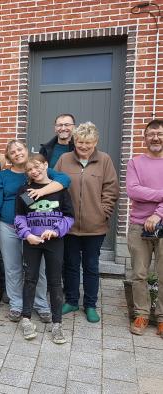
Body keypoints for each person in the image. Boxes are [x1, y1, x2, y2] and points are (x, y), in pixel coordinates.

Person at [0, 140, 70, 323]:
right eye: (12, 152)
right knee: (13, 267)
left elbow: (65, 180)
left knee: (38, 268)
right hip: (8, 226)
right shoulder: (3, 176)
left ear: (27, 150)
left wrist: (43, 191)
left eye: (20, 149)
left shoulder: (39, 169)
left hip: (36, 227)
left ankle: (41, 304)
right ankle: (17, 304)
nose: (17, 153)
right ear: (8, 157)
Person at [56, 122, 119, 323]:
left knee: (91, 265)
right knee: (71, 265)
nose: (83, 146)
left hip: (95, 227)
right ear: (75, 141)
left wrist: (103, 212)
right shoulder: (64, 159)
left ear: (95, 142)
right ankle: (72, 300)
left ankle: (90, 304)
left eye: (88, 143)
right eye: (80, 142)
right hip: (70, 226)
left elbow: (111, 189)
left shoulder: (104, 160)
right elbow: (54, 185)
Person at [14, 154, 74, 344]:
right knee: (30, 279)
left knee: (55, 281)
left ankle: (57, 324)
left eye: (38, 166)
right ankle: (26, 319)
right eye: (30, 169)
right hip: (32, 241)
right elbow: (19, 217)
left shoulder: (60, 190)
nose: (34, 171)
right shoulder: (25, 190)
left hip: (54, 242)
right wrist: (27, 234)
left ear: (46, 165)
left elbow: (69, 217)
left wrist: (56, 231)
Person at [126, 119, 163, 337]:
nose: (155, 138)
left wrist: (158, 213)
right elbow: (133, 191)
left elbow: (143, 191)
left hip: (160, 221)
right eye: (151, 134)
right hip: (139, 225)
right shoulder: (135, 162)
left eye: (159, 133)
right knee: (139, 273)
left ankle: (161, 316)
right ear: (145, 137)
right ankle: (141, 314)